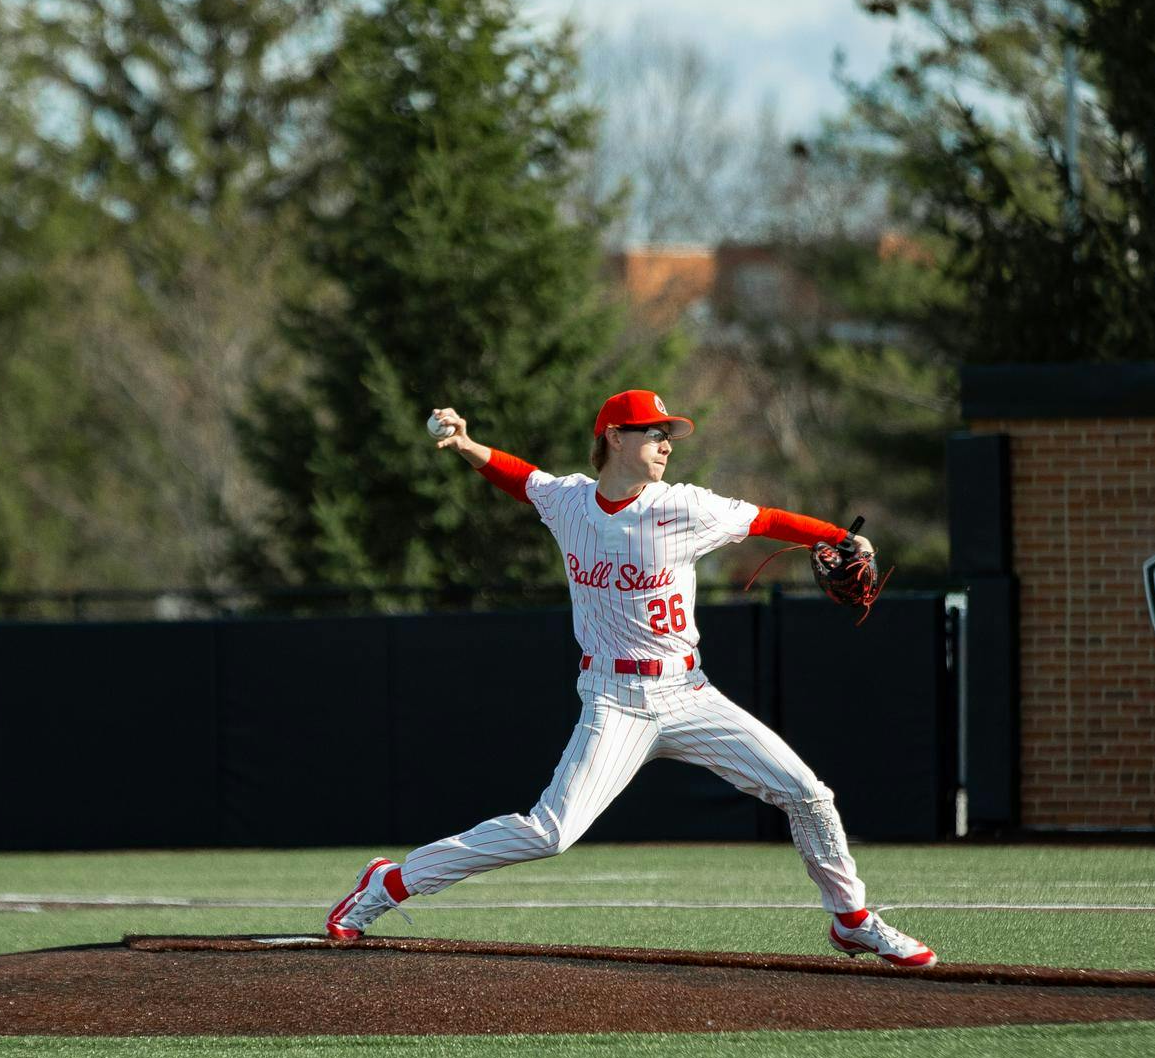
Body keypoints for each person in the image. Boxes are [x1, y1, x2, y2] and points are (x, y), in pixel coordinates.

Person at [322, 389, 937, 967]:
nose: (667, 444)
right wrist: (466, 445)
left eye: (670, 435)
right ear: (614, 436)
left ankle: (851, 918)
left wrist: (837, 537)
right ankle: (391, 882)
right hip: (614, 701)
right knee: (551, 832)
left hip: (689, 694)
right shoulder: (568, 502)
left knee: (809, 793)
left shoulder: (686, 506)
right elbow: (521, 479)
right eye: (655, 433)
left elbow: (769, 519)